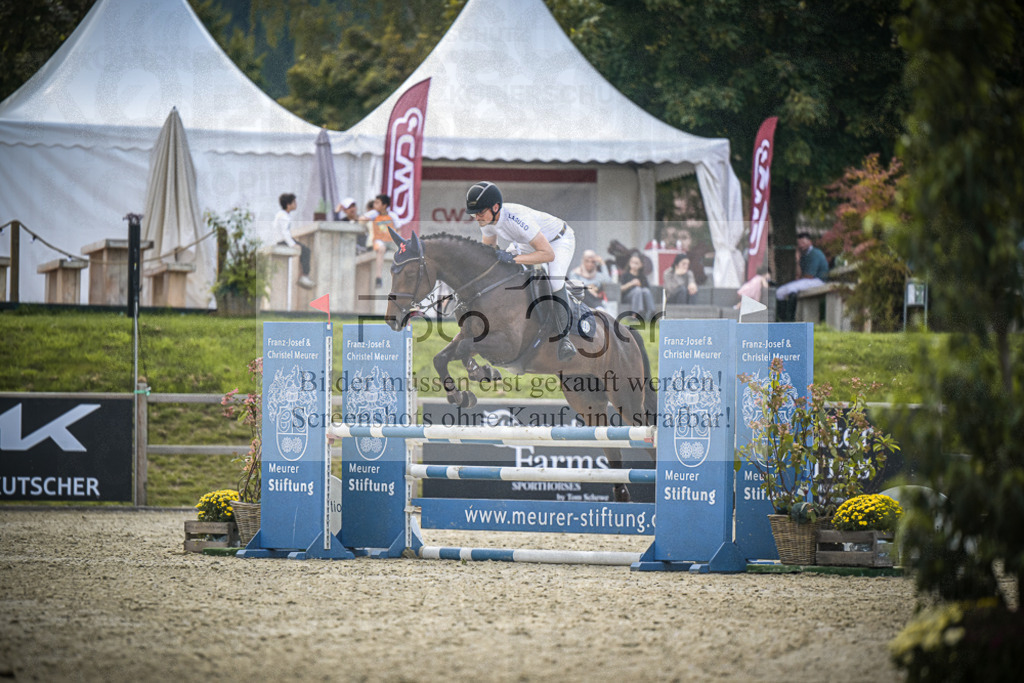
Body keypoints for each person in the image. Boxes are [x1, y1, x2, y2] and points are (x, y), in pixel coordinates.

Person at [466, 181, 578, 361]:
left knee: (554, 281)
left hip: (558, 241)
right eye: (474, 214)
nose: (477, 217)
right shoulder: (487, 220)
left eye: (480, 212)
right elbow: (488, 254)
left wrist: (513, 259)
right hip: (526, 242)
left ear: (495, 207)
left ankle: (565, 339)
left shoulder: (517, 219)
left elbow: (547, 254)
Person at [776, 232, 830, 320]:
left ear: (810, 242)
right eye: (799, 244)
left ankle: (789, 320)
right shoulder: (804, 255)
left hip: (819, 281)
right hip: (808, 281)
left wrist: (799, 279)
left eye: (803, 243)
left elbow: (809, 276)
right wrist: (798, 260)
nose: (801, 246)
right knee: (780, 292)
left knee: (789, 289)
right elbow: (799, 275)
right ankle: (783, 319)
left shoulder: (814, 253)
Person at [274, 192, 314, 289]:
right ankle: (304, 276)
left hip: (282, 240)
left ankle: (303, 275)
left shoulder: (283, 214)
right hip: (283, 241)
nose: (295, 204)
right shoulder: (284, 216)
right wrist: (292, 244)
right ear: (288, 205)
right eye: (294, 202)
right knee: (306, 250)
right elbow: (285, 232)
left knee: (303, 251)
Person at [369, 194, 396, 288]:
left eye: (377, 203)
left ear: (384, 205)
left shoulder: (392, 216)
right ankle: (378, 277)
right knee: (381, 249)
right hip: (379, 240)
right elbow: (362, 219)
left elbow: (399, 229)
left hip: (391, 241)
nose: (374, 205)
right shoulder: (374, 215)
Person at [619, 250, 655, 319]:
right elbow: (621, 289)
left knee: (645, 290)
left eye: (636, 263)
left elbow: (647, 289)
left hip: (640, 297)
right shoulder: (625, 275)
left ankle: (651, 312)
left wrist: (639, 284)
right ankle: (635, 314)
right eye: (632, 262)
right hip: (628, 297)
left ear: (641, 265)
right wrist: (631, 283)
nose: (634, 265)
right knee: (637, 290)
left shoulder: (642, 276)